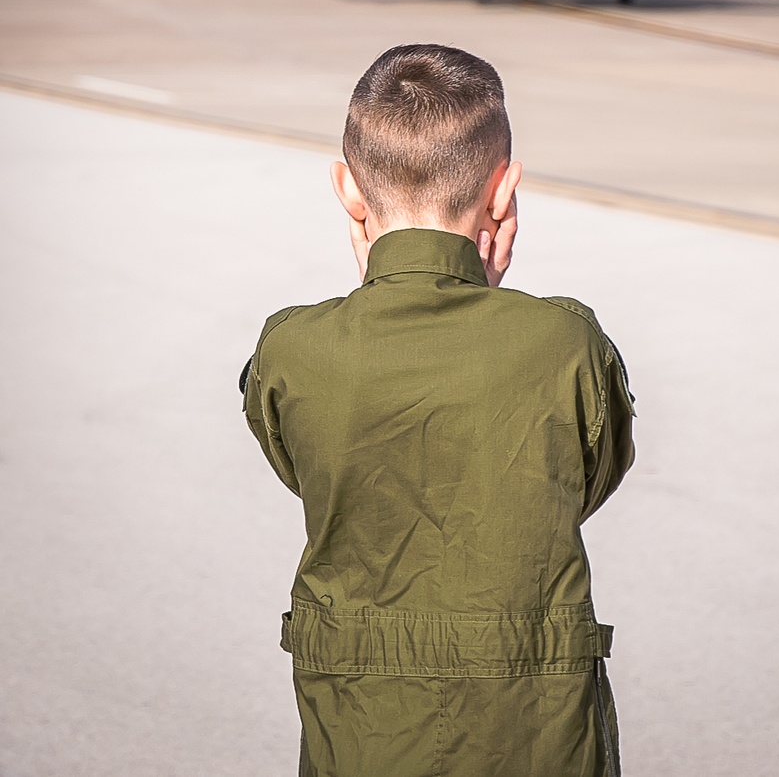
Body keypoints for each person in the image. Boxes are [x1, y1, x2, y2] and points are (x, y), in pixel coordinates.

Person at [241, 43, 635, 776]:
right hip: (535, 731)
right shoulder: (566, 342)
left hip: (360, 728)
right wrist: (476, 296)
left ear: (348, 192)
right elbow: (587, 480)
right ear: (504, 191)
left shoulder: (293, 350)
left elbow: (311, 473)